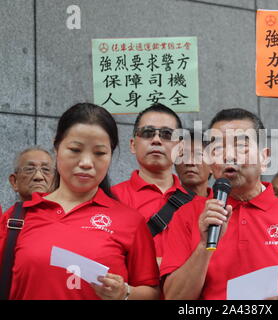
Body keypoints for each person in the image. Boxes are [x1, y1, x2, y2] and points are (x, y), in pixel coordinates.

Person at [160, 108, 278, 300]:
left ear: (265, 158)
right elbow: (174, 298)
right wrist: (204, 245)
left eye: (241, 147)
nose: (229, 155)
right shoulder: (188, 215)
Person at [0, 103, 160, 300]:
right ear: (56, 147)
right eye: (75, 150)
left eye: (100, 153)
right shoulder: (16, 218)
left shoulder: (131, 222)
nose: (86, 162)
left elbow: (152, 293)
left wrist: (125, 292)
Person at [112, 103, 190, 263]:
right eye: (147, 133)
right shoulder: (111, 198)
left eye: (167, 134)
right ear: (133, 145)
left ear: (181, 149)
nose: (156, 140)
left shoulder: (196, 203)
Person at [175, 129, 212, 198]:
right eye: (184, 155)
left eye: (198, 155)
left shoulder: (224, 205)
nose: (190, 162)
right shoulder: (162, 203)